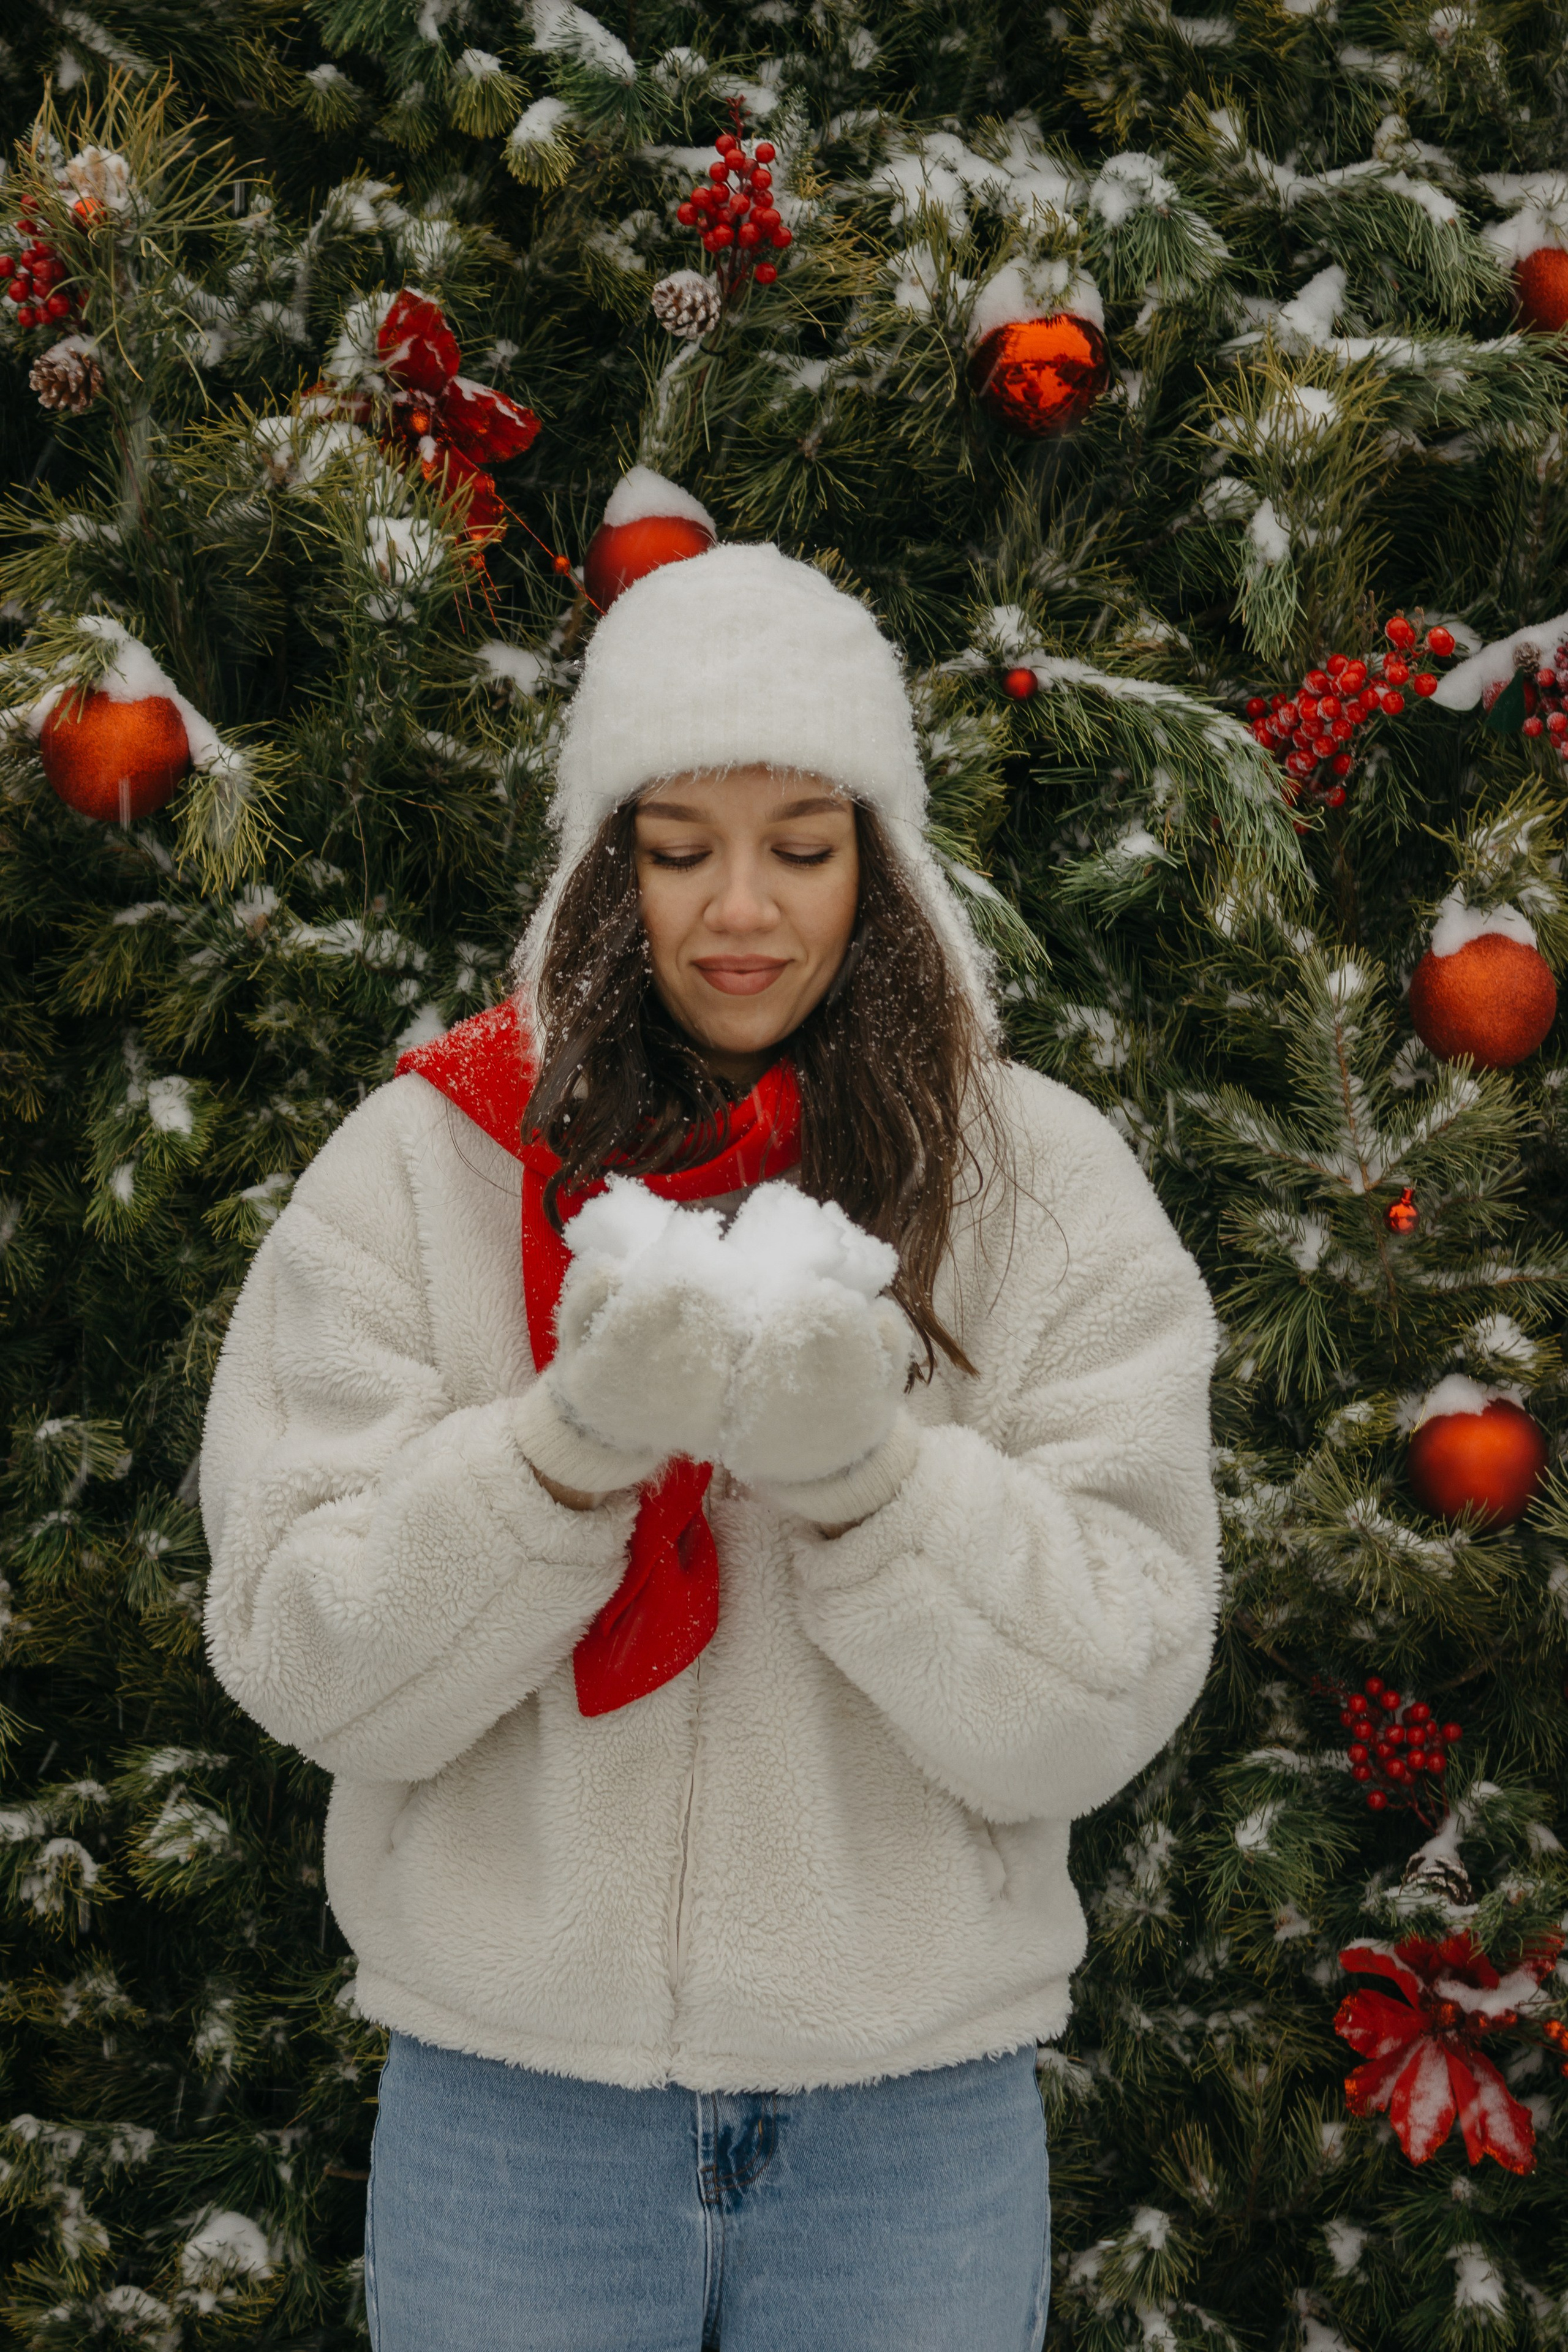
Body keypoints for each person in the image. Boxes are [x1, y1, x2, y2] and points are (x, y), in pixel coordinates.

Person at [200, 543, 1221, 2352]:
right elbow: (303, 1652)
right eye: (680, 849)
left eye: (802, 848)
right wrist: (563, 1453)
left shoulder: (1039, 1180)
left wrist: (872, 1485)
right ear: (605, 863)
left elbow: (1111, 1687)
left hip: (906, 2136)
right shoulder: (427, 1166)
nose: (741, 909)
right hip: (516, 2129)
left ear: (882, 864)